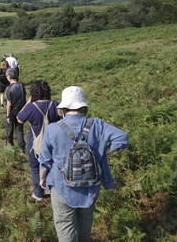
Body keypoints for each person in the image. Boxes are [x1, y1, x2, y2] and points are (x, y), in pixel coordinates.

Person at [38, 86, 129, 242]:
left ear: (64, 107)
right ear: (83, 105)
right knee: (85, 227)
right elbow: (122, 139)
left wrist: (42, 179)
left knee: (65, 226)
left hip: (61, 186)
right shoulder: (97, 125)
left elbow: (45, 160)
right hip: (90, 185)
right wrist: (102, 152)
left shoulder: (53, 129)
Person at [17, 80, 61, 201]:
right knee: (53, 166)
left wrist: (27, 103)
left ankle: (39, 193)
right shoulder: (56, 105)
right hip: (54, 141)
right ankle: (54, 191)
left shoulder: (31, 107)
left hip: (34, 142)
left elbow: (19, 119)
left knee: (35, 167)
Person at [4, 68, 27, 154]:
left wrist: (7, 115)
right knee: (19, 129)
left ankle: (10, 144)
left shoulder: (8, 88)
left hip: (12, 111)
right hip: (21, 110)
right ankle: (22, 148)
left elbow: (9, 103)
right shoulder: (21, 85)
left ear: (9, 76)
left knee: (9, 128)